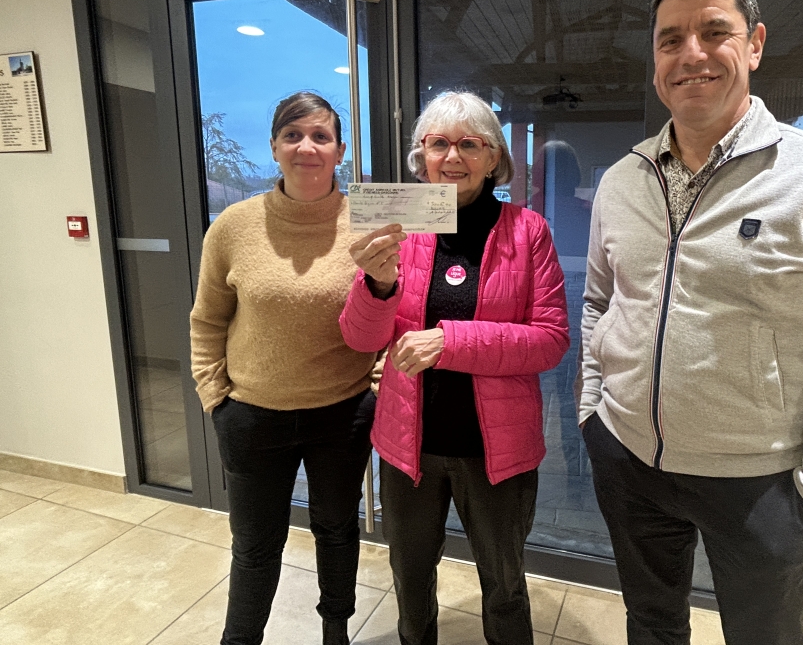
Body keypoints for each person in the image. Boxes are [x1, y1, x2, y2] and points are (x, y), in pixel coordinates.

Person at [578, 0, 803, 644]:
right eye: (671, 39)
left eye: (714, 32)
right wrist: (593, 413)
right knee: (651, 625)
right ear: (655, 61)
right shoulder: (621, 180)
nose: (691, 54)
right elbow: (599, 303)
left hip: (761, 483)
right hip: (628, 460)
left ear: (755, 44)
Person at [339, 91, 569, 645]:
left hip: (496, 452)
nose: (453, 156)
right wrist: (378, 286)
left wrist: (450, 342)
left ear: (494, 158)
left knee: (505, 585)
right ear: (421, 155)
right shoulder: (400, 228)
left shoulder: (528, 231)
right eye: (439, 143)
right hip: (408, 446)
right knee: (410, 578)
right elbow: (360, 338)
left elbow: (550, 340)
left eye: (470, 143)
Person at [190, 91, 378, 645]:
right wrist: (216, 397)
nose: (307, 147)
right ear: (274, 147)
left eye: (321, 136)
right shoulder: (234, 226)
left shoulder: (371, 222)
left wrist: (374, 387)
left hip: (341, 414)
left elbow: (394, 309)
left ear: (339, 150)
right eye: (293, 135)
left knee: (337, 530)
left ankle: (336, 631)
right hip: (251, 415)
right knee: (254, 545)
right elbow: (207, 319)